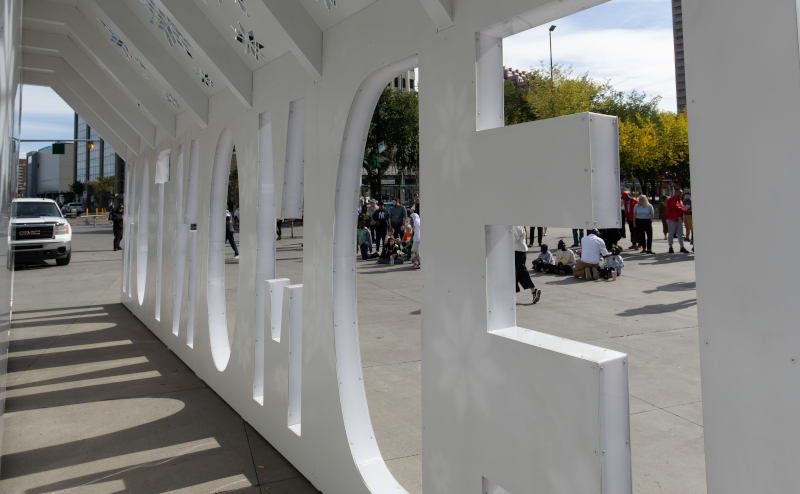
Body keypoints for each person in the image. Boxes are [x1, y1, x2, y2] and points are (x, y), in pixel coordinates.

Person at [513, 226, 542, 304]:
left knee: (513, 273)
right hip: (520, 252)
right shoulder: (518, 225)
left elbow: (514, 238)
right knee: (522, 273)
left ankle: (512, 295)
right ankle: (534, 290)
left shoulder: (516, 225)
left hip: (517, 252)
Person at [665, 189, 690, 253]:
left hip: (678, 218)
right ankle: (670, 247)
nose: (681, 194)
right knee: (671, 233)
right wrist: (686, 210)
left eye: (682, 193)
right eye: (680, 192)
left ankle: (682, 247)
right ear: (675, 192)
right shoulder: (672, 199)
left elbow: (680, 208)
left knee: (680, 234)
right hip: (672, 218)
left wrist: (684, 210)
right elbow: (676, 207)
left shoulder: (680, 200)